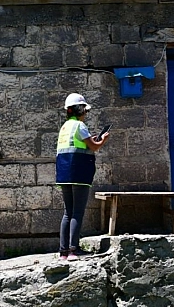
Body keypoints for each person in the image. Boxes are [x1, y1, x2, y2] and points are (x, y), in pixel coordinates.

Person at [56, 93, 109, 261]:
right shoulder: (80, 126)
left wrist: (91, 140)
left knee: (67, 212)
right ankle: (73, 250)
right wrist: (103, 140)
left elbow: (77, 144)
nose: (85, 113)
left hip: (64, 173)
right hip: (79, 172)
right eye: (85, 110)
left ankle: (63, 251)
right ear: (79, 110)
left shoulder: (65, 127)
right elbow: (94, 147)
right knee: (77, 212)